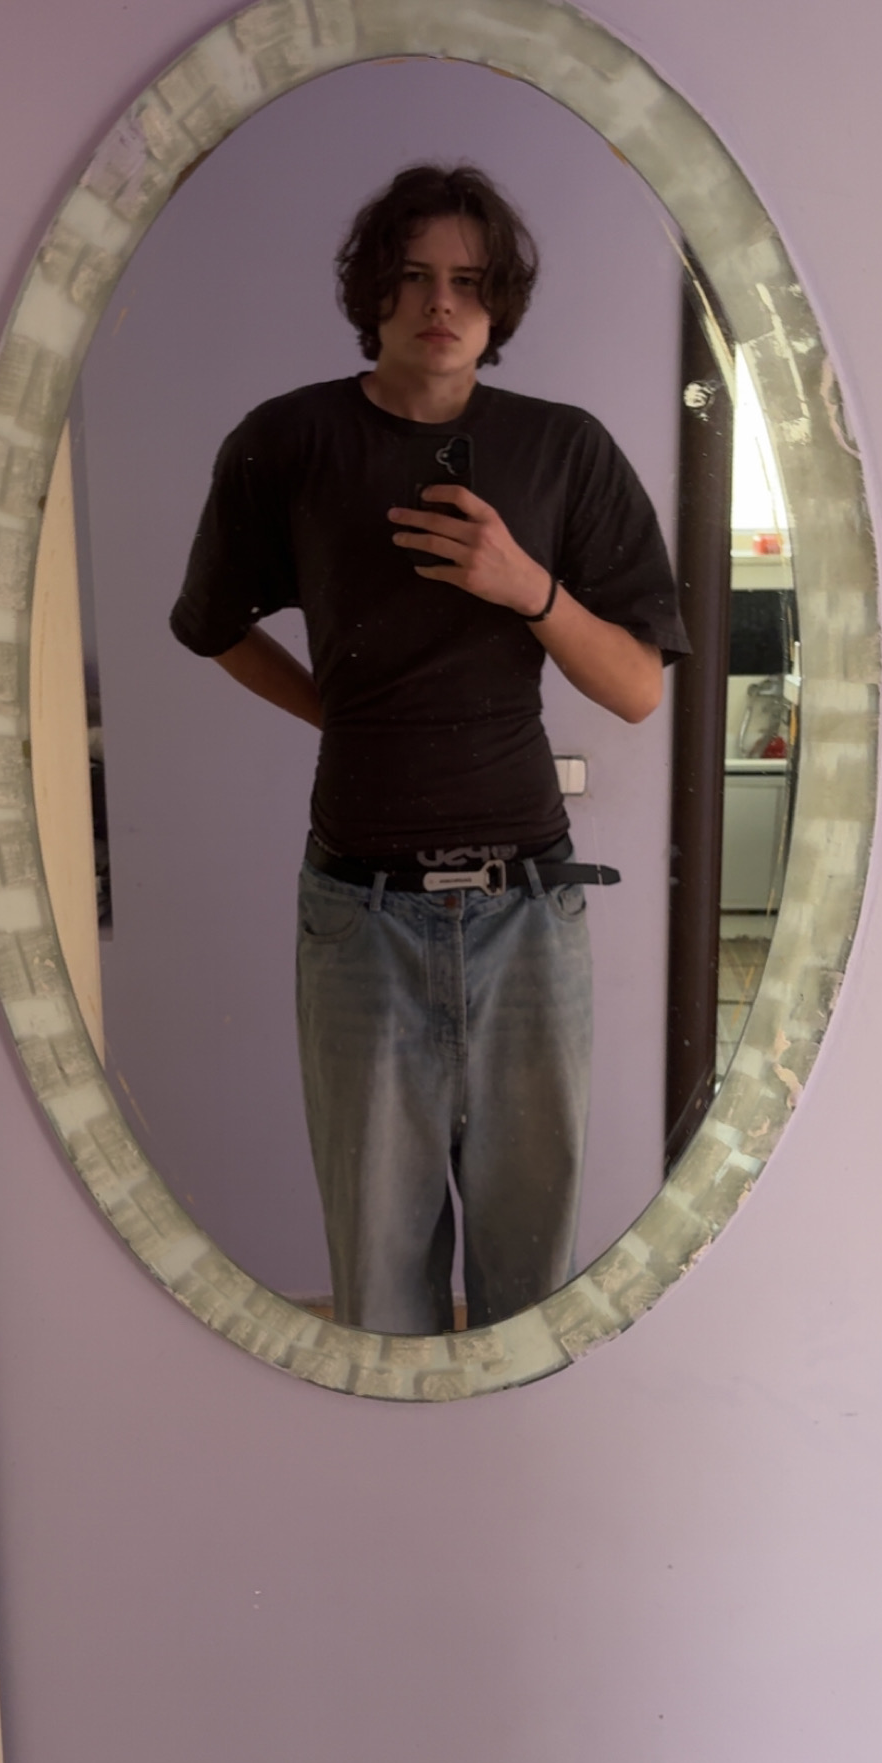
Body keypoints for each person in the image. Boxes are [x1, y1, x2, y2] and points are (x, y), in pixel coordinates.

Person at [170, 165, 688, 1334]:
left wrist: (526, 586)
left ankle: (510, 1456)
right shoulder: (288, 441)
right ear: (372, 291)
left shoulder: (564, 450)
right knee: (380, 1278)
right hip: (360, 913)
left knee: (530, 1282)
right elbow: (212, 627)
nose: (441, 304)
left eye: (468, 279)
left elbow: (637, 689)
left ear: (500, 301)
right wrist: (346, 716)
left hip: (529, 912)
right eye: (412, 277)